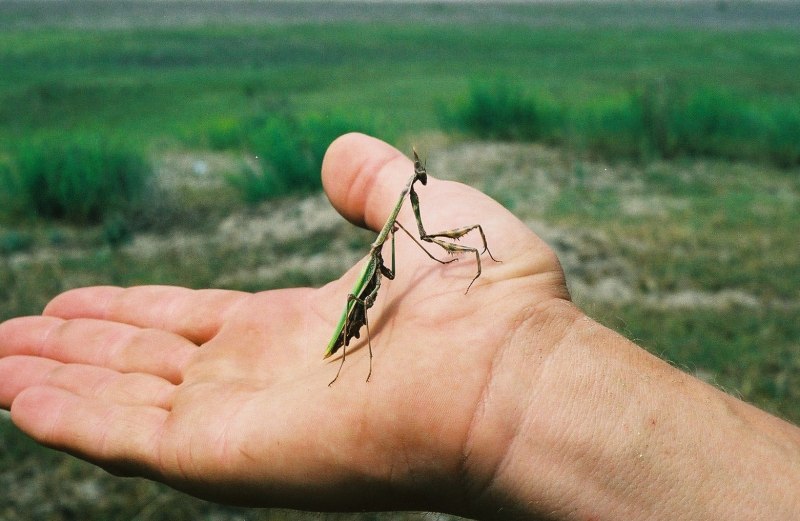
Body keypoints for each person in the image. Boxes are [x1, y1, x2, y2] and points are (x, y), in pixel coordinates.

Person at [0, 133, 797, 520]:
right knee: (386, 286)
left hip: (394, 287)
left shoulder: (409, 223)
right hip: (355, 317)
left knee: (425, 255)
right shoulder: (401, 230)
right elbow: (397, 258)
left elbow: (410, 248)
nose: (413, 182)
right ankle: (353, 355)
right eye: (415, 176)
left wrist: (527, 370)